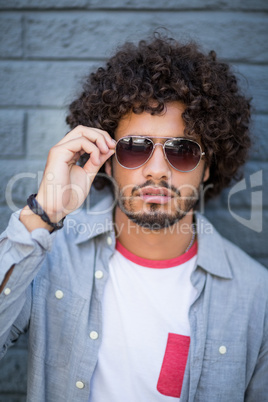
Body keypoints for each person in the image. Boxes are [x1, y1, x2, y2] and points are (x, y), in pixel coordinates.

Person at [0, 34, 267, 402]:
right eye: (135, 148)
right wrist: (44, 213)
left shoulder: (257, 297)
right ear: (108, 159)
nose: (156, 171)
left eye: (183, 151)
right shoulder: (49, 259)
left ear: (208, 167)